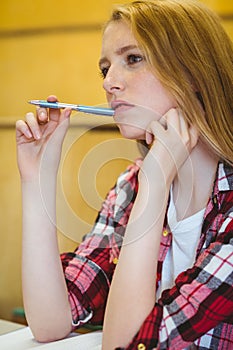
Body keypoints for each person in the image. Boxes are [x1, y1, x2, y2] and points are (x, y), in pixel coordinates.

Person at [16, 0, 233, 349]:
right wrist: (36, 176)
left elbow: (126, 344)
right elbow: (50, 321)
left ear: (194, 72)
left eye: (133, 59)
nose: (109, 83)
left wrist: (155, 183)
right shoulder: (131, 186)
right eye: (105, 69)